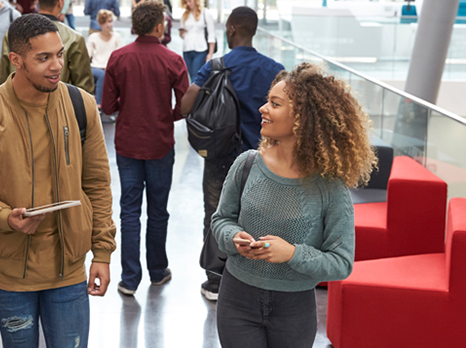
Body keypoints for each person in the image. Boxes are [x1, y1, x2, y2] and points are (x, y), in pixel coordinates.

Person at [0, 14, 116, 348]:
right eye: (43, 58)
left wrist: (102, 252)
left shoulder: (80, 105)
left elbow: (97, 183)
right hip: (10, 272)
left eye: (59, 54)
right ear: (16, 60)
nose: (56, 65)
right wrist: (5, 218)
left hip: (68, 269)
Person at [211, 62, 377, 347]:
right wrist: (232, 237)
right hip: (236, 299)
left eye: (274, 104)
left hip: (294, 310)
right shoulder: (247, 164)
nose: (263, 109)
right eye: (267, 101)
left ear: (303, 118)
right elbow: (221, 220)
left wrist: (291, 254)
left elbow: (341, 262)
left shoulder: (330, 186)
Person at [181, 6, 285, 301]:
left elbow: (187, 104)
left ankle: (215, 281)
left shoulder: (216, 65)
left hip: (220, 155)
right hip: (262, 157)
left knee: (216, 214)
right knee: (259, 216)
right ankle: (252, 280)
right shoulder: (274, 69)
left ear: (230, 30)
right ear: (253, 31)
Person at [101, 1, 189, 295]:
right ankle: (157, 270)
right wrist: (169, 115)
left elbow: (110, 106)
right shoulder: (174, 60)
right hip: (160, 145)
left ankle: (129, 279)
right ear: (160, 26)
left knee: (129, 211)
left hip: (127, 145)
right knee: (158, 211)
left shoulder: (117, 58)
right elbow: (186, 105)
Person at [0, 0, 94, 93]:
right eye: (43, 58)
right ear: (60, 3)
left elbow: (3, 76)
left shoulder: (13, 34)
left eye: (60, 54)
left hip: (16, 102)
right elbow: (83, 85)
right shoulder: (74, 38)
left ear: (37, 1)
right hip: (59, 105)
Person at [87, 9, 122, 108]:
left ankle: (101, 103)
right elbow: (87, 55)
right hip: (95, 67)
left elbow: (119, 56)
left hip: (110, 67)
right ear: (100, 23)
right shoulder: (93, 37)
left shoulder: (116, 37)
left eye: (110, 21)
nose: (108, 24)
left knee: (106, 74)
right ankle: (99, 103)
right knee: (103, 75)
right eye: (105, 22)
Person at [179, 0, 215, 81]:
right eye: (186, 2)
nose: (188, 4)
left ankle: (195, 93)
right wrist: (182, 34)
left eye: (190, 1)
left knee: (196, 77)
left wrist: (210, 54)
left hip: (200, 50)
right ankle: (198, 93)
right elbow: (182, 34)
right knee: (192, 77)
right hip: (187, 50)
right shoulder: (185, 15)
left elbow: (211, 35)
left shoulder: (206, 13)